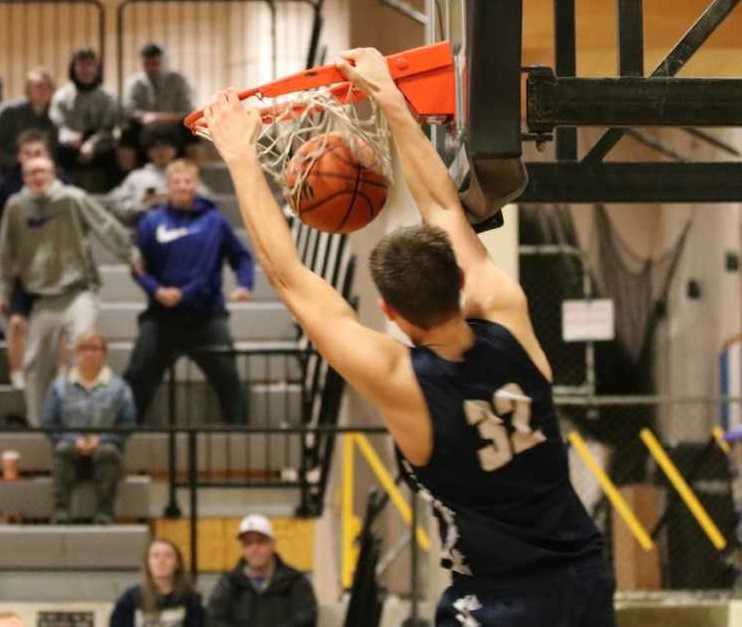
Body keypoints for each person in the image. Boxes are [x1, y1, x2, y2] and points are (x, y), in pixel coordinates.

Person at [202, 46, 616, 627]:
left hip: (498, 600)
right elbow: (445, 209)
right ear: (459, 281)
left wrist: (241, 155)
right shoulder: (504, 312)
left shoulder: (405, 384)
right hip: (583, 577)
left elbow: (289, 279)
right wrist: (390, 98)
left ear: (391, 312)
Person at [0, 156, 135, 426]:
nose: (37, 176)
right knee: (34, 363)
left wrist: (130, 254)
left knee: (82, 351)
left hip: (78, 292)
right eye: (31, 172)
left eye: (42, 171)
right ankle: (39, 425)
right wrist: (3, 289)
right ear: (24, 177)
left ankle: (81, 427)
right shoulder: (16, 206)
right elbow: (6, 252)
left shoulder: (72, 198)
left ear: (53, 173)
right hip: (42, 298)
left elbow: (105, 224)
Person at [124, 159, 252, 424]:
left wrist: (244, 284)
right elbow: (137, 267)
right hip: (161, 317)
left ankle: (240, 438)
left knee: (229, 378)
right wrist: (157, 291)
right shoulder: (151, 222)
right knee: (138, 375)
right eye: (176, 182)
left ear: (197, 185)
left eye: (188, 181)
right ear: (167, 186)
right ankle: (127, 439)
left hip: (207, 317)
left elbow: (241, 257)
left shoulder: (214, 221)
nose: (182, 186)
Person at [41, 331, 136, 524]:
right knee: (63, 449)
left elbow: (127, 424)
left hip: (106, 453)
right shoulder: (59, 386)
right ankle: (61, 512)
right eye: (83, 348)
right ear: (75, 354)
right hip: (71, 451)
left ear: (104, 353)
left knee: (108, 451)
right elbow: (49, 423)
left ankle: (105, 513)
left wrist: (100, 440)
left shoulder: (120, 388)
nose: (89, 353)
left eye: (94, 348)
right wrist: (72, 440)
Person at [0, 130, 68, 391]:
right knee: (16, 323)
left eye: (38, 154)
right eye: (27, 154)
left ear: (48, 157)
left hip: (56, 269)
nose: (32, 159)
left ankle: (62, 375)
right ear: (19, 157)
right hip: (22, 270)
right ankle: (19, 376)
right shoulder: (7, 185)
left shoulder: (63, 184)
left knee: (63, 324)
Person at [207, 514, 317, 627]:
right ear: (243, 549)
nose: (254, 549)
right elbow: (214, 621)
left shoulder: (295, 582)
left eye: (261, 542)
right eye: (248, 544)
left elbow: (305, 620)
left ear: (273, 545)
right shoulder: (228, 584)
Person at [107, 127, 211, 226]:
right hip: (146, 231)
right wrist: (142, 206)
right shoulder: (137, 177)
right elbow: (116, 205)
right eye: (155, 147)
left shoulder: (187, 173)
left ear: (175, 149)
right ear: (148, 151)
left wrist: (180, 201)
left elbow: (207, 200)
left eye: (166, 146)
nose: (161, 151)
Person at [50, 48, 120, 191]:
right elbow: (57, 125)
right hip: (70, 144)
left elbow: (109, 128)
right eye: (81, 65)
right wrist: (70, 138)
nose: (85, 69)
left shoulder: (108, 96)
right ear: (73, 68)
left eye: (90, 65)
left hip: (101, 143)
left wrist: (92, 144)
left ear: (97, 68)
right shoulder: (61, 96)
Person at [121, 43, 196, 164]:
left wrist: (160, 118)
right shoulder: (133, 83)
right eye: (147, 64)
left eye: (155, 63)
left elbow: (188, 109)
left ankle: (194, 174)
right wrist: (144, 117)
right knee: (127, 131)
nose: (151, 68)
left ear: (164, 63)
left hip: (173, 124)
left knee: (192, 129)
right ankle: (128, 176)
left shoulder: (179, 80)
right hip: (144, 126)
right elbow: (128, 110)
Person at [110, 538, 205, 627]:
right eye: (155, 556)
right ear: (147, 563)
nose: (161, 561)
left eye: (168, 556)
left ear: (177, 564)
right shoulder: (130, 598)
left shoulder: (191, 599)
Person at [0, 67, 57, 172]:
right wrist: (17, 161)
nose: (44, 91)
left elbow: (51, 154)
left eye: (48, 87)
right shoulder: (10, 112)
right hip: (7, 170)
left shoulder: (52, 121)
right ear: (28, 90)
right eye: (39, 86)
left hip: (37, 171)